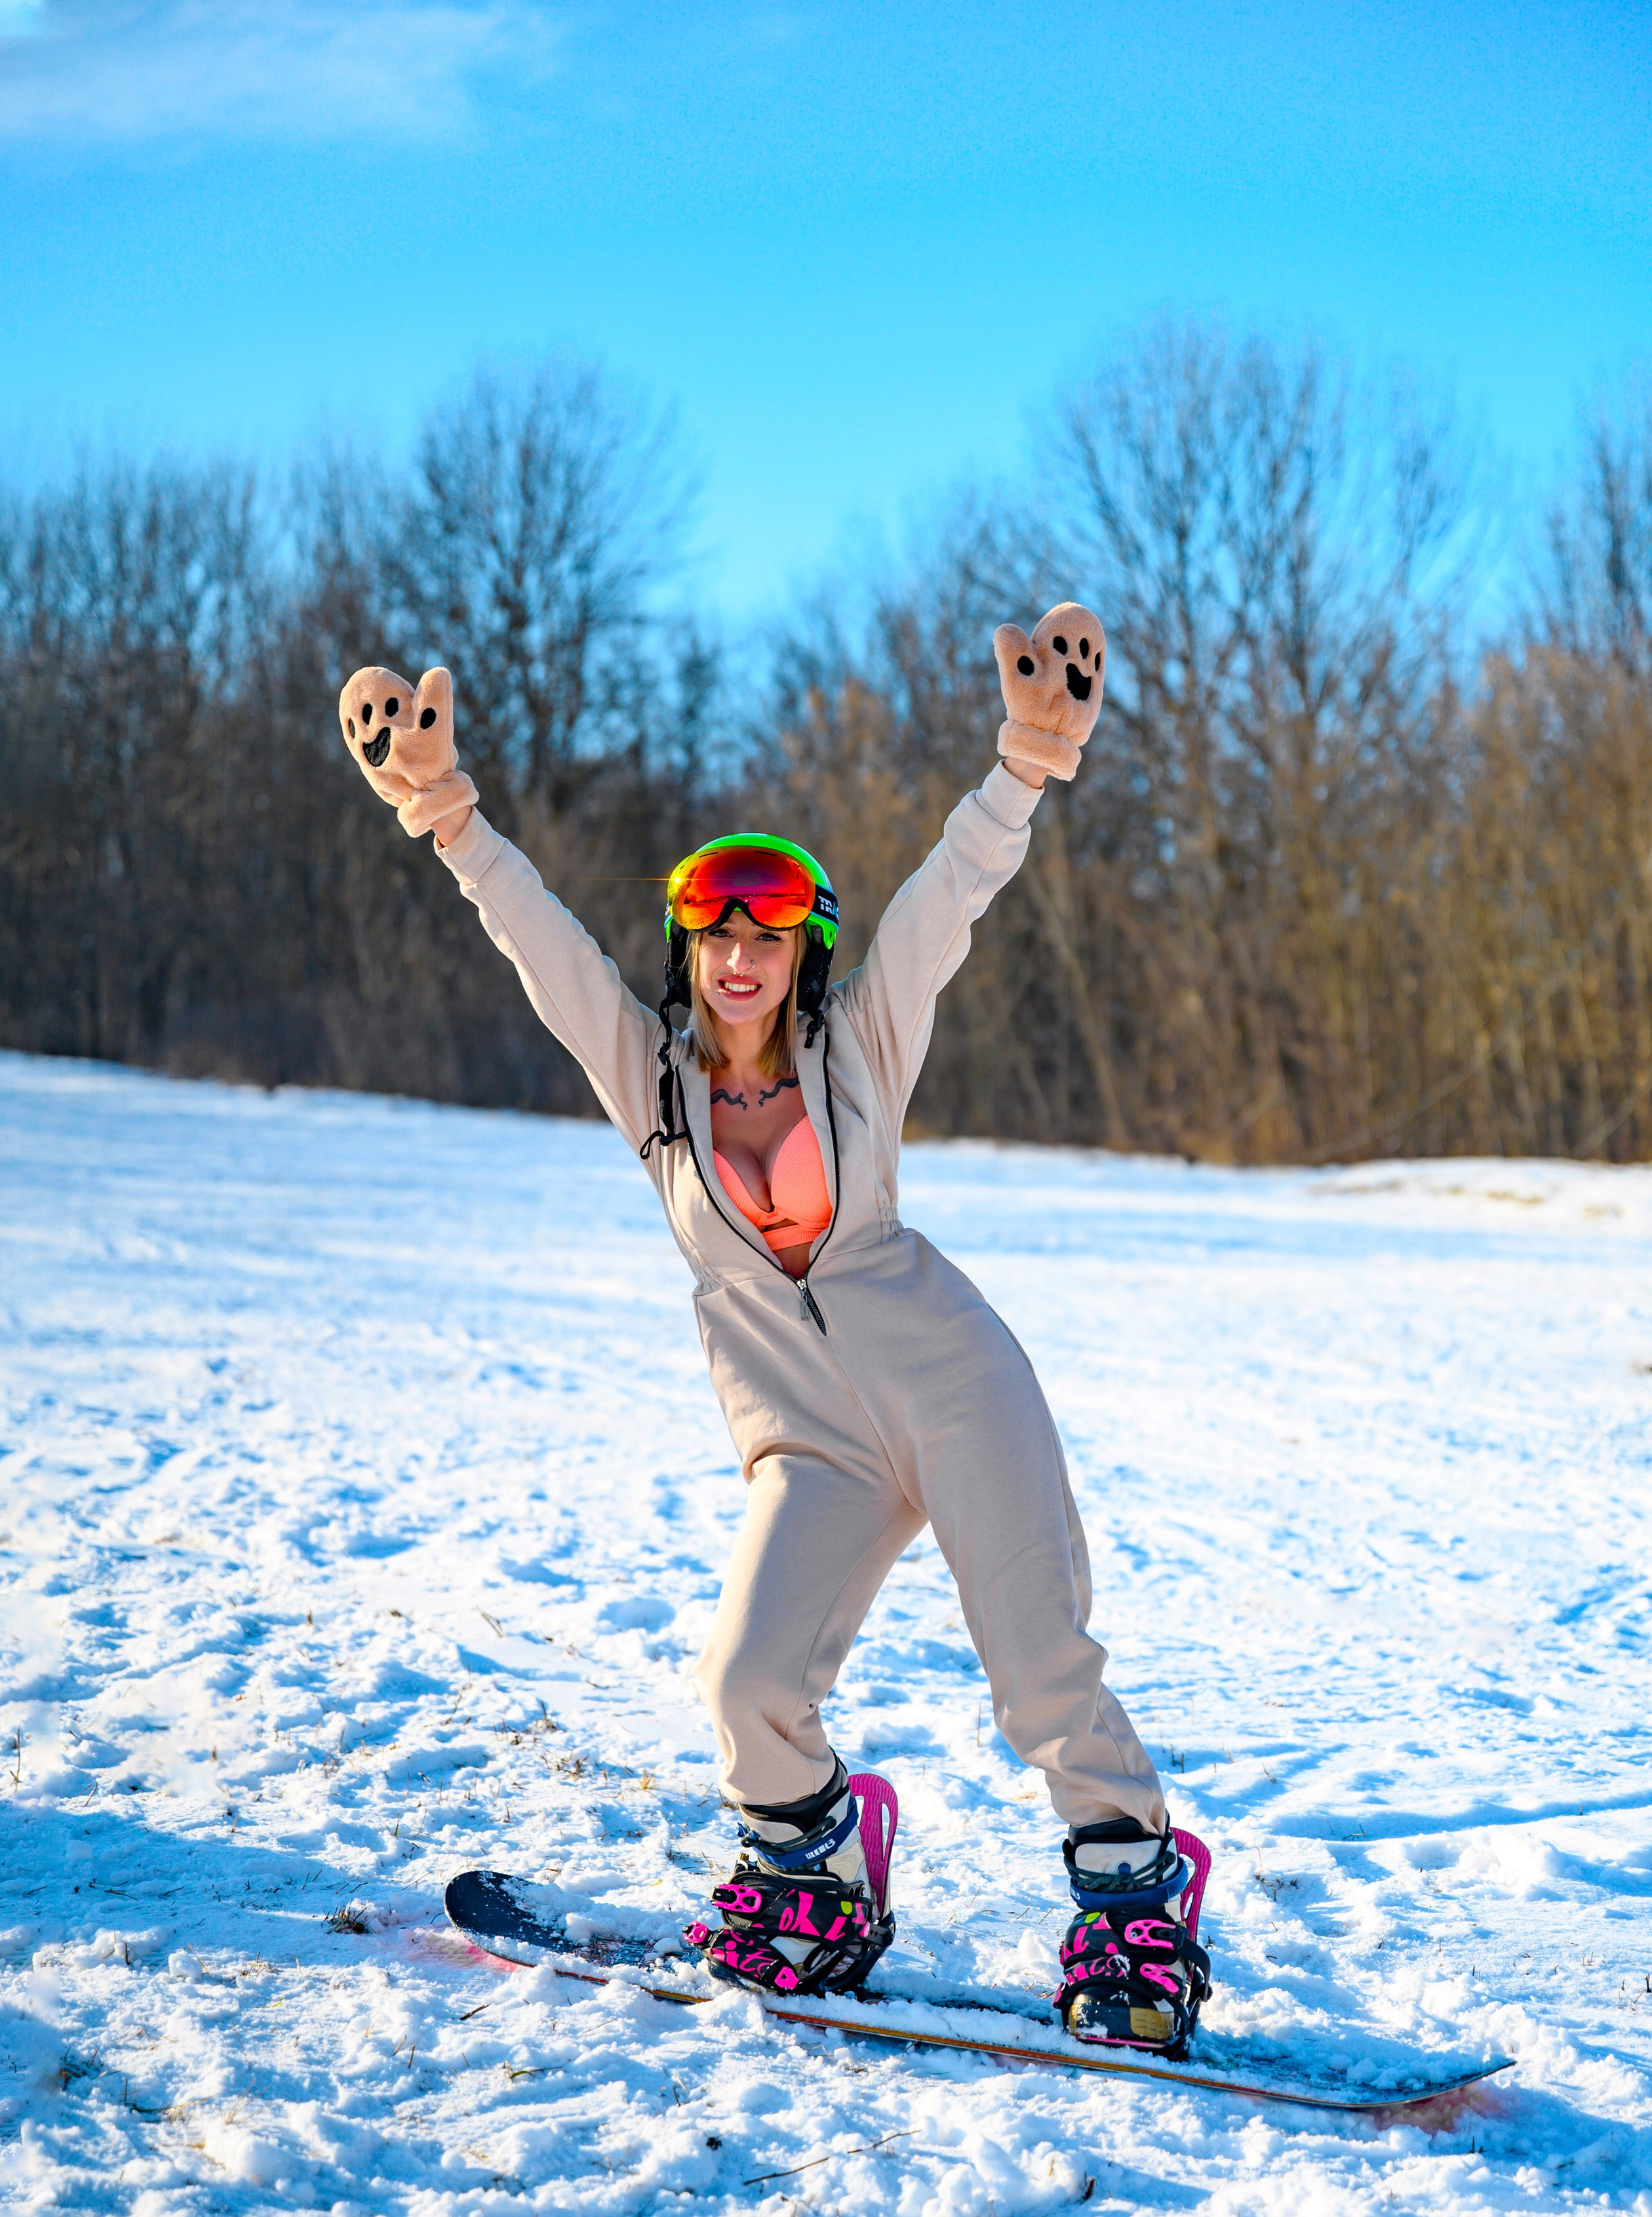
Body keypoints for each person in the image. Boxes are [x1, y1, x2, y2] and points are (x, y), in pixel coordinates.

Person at [336, 607, 1211, 2054]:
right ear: (687, 949)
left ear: (802, 951)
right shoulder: (652, 1083)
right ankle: (816, 1874)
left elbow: (949, 896)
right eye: (713, 932)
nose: (738, 955)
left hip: (951, 1386)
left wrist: (1024, 767)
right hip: (809, 1439)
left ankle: (1132, 1906)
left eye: (767, 932)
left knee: (1038, 1668)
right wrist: (449, 819)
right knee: (744, 1679)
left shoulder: (860, 1041)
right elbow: (539, 946)